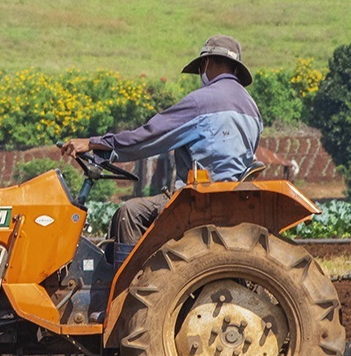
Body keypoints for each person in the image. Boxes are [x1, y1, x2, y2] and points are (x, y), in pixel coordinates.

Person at [59, 35, 262, 262]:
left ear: (205, 63)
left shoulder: (202, 101)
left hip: (201, 200)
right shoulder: (252, 108)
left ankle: (130, 282)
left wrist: (97, 143)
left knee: (130, 213)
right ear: (236, 68)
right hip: (232, 198)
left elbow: (149, 136)